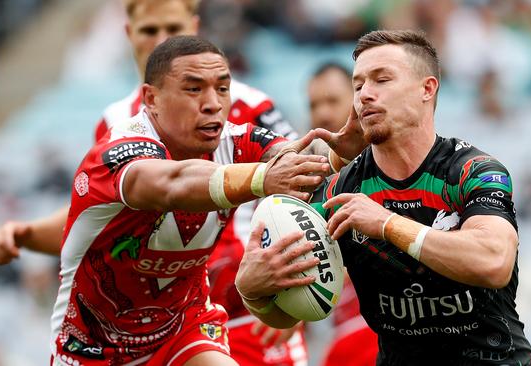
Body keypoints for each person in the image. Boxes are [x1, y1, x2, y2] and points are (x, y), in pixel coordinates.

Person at [0, 0, 307, 364]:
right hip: (102, 336)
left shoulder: (247, 108)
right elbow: (105, 213)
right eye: (150, 31)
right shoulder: (115, 127)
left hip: (226, 308)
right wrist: (29, 234)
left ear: (195, 28)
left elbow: (302, 174)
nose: (161, 40)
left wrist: (290, 289)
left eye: (172, 29)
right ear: (129, 35)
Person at [235, 30, 531, 365]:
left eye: (381, 80)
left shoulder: (471, 171)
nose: (365, 94)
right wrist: (255, 294)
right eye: (359, 84)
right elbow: (286, 318)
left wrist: (388, 224)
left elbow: (493, 262)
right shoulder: (339, 191)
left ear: (427, 89)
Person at [50, 35, 329, 366]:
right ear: (150, 99)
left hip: (183, 330)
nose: (212, 103)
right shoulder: (119, 152)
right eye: (194, 89)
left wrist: (345, 153)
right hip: (93, 345)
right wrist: (262, 178)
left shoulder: (237, 141)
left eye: (222, 89)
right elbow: (172, 183)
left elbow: (299, 157)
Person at [307, 61, 378, 366]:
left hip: (389, 330)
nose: (322, 113)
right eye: (313, 104)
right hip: (346, 338)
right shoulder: (306, 184)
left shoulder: (396, 166)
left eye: (332, 101)